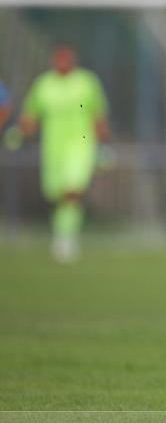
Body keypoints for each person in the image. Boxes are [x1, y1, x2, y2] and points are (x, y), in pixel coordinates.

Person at [19, 45, 110, 262]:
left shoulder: (86, 82)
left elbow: (98, 114)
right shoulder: (44, 84)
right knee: (56, 194)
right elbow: (31, 115)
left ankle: (66, 237)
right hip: (52, 149)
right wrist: (20, 132)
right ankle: (62, 231)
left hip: (80, 145)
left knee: (73, 189)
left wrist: (103, 144)